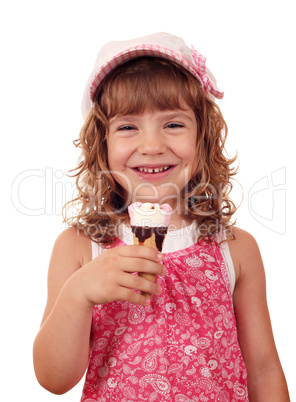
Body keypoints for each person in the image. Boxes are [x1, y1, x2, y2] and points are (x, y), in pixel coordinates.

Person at [33, 32, 290, 401]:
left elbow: (263, 369)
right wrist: (78, 294)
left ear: (202, 138)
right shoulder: (80, 248)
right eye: (127, 127)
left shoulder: (235, 249)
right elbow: (54, 380)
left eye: (173, 124)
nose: (152, 145)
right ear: (101, 145)